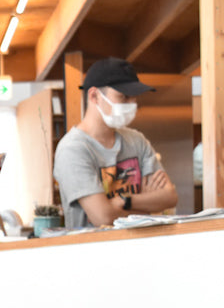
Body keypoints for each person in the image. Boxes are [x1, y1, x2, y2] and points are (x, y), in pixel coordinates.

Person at [53, 57, 178, 228]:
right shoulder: (73, 149)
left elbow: (170, 197)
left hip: (141, 244)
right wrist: (147, 205)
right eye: (123, 97)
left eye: (134, 98)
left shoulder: (137, 140)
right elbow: (103, 218)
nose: (132, 104)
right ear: (94, 96)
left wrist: (124, 201)